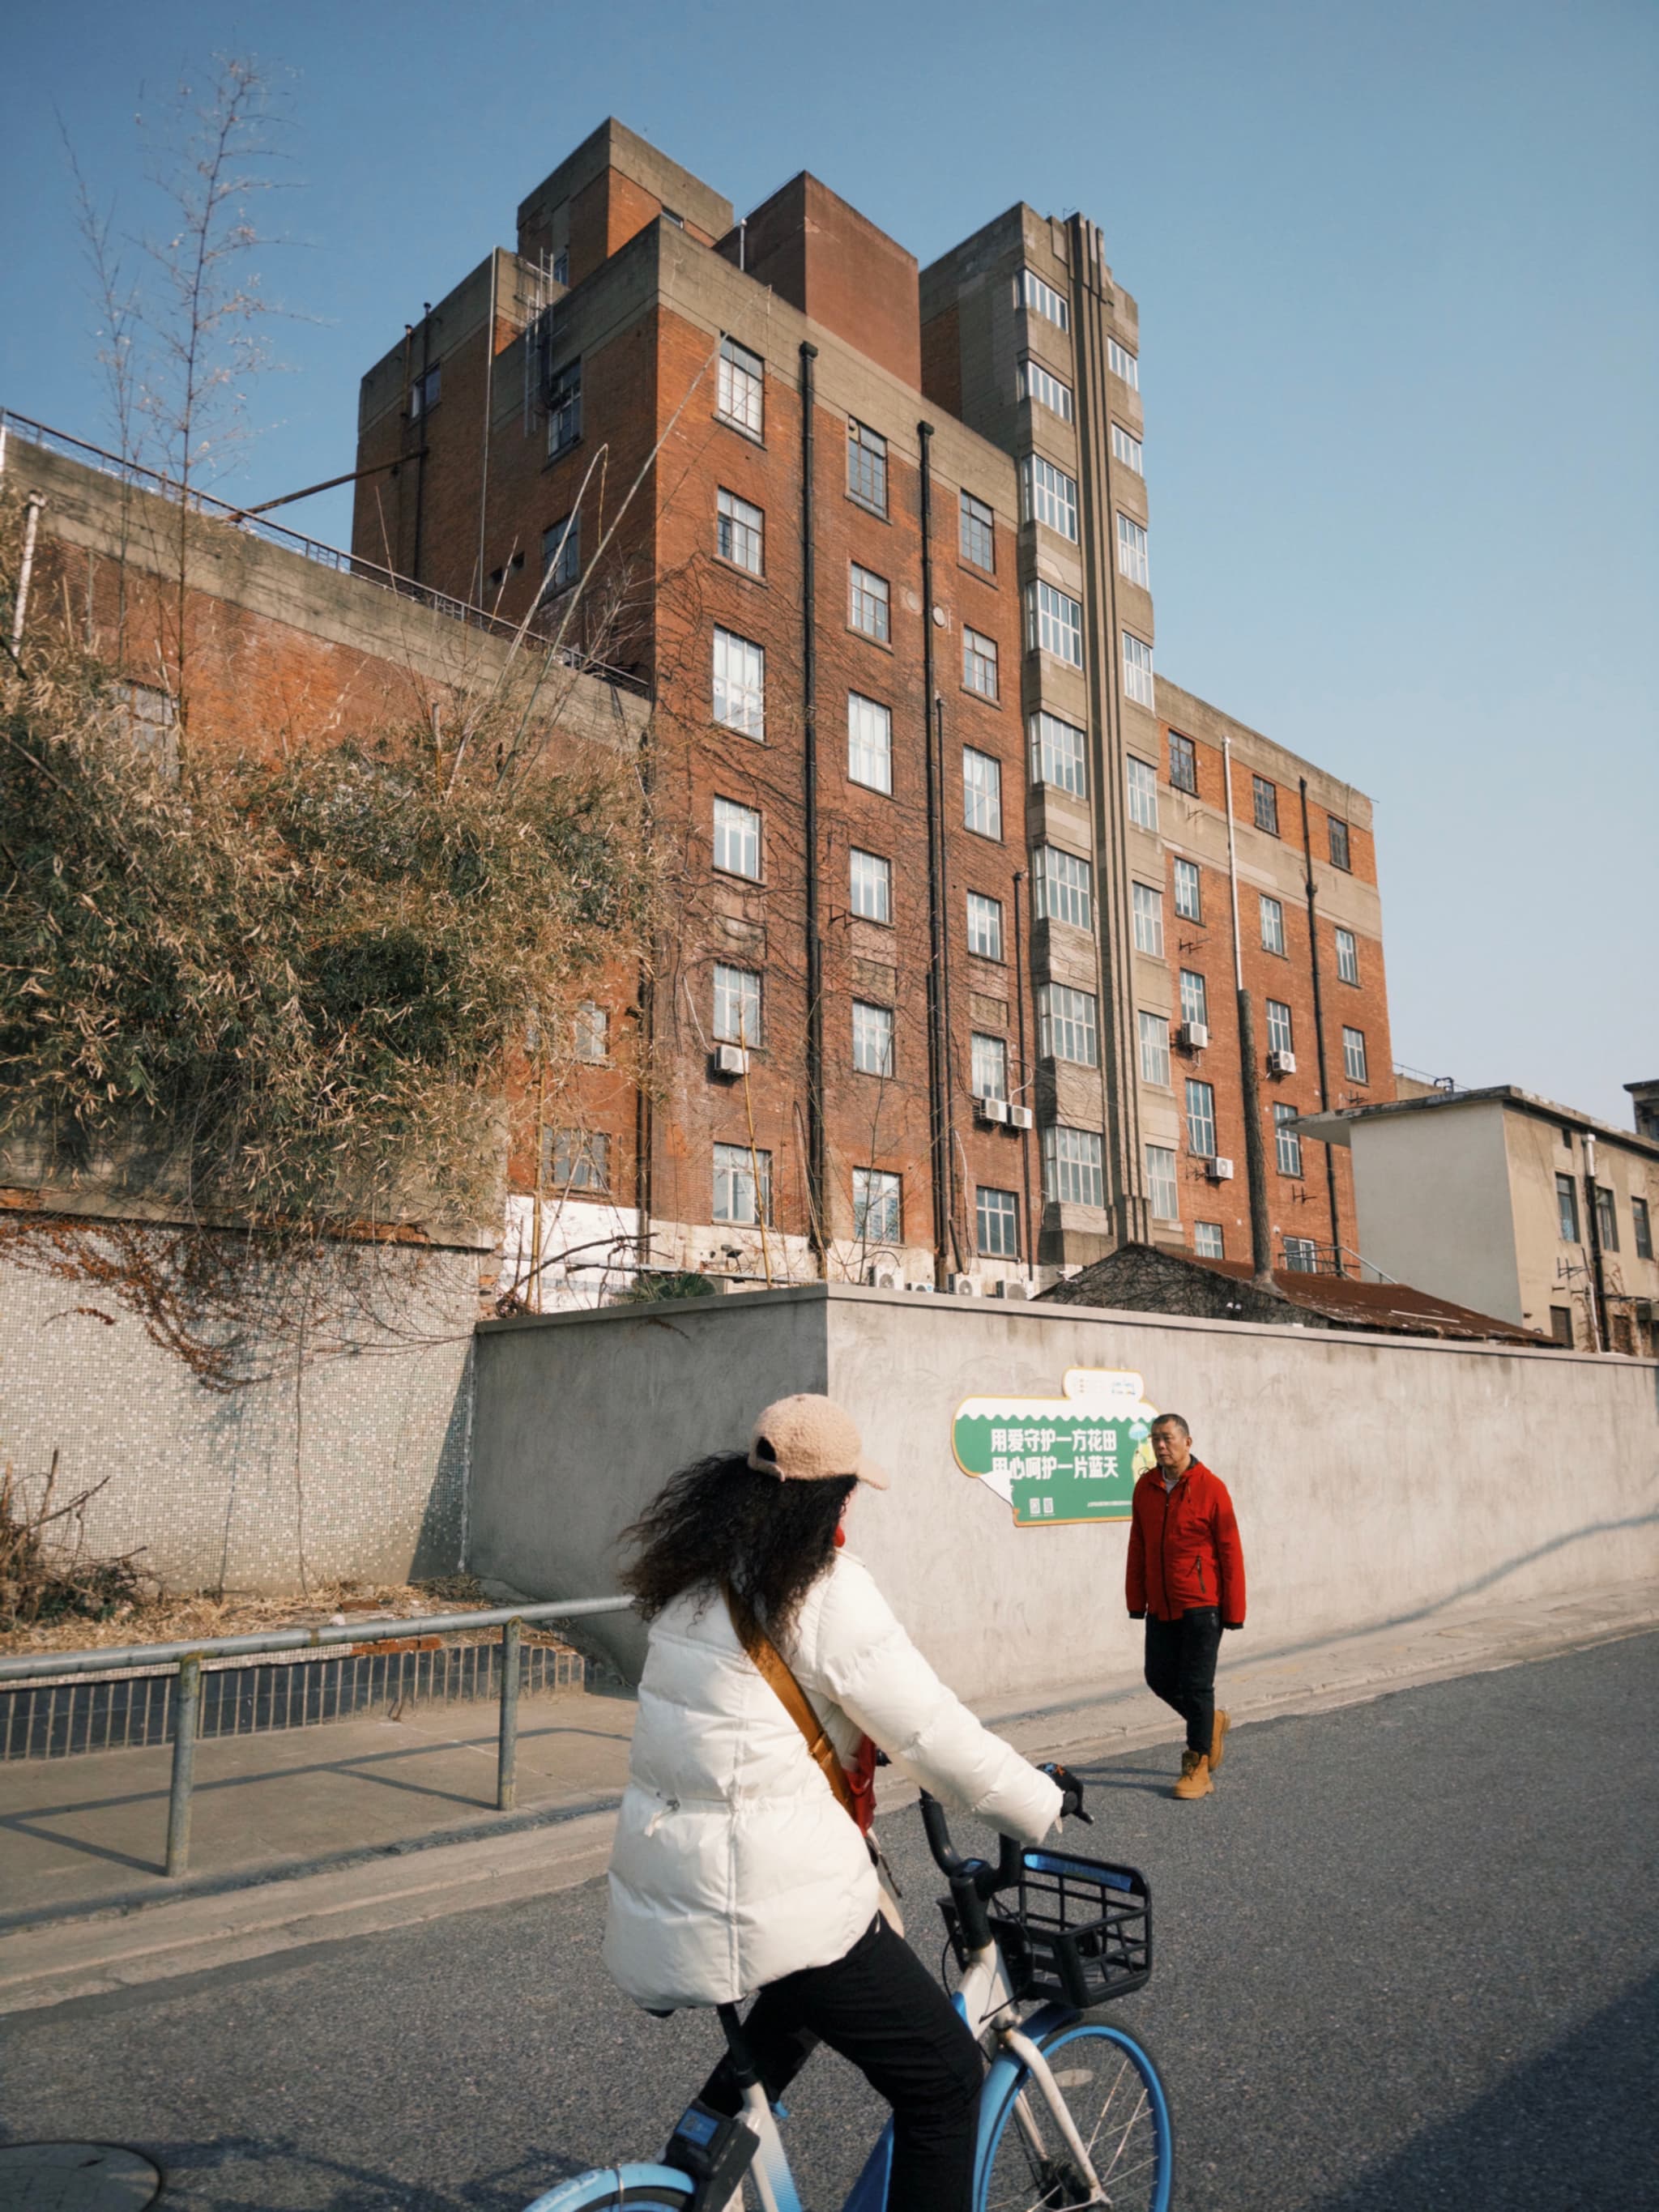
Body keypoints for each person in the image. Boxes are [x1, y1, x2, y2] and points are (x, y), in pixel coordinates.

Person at [603, 1392, 1075, 2212]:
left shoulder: (698, 1581)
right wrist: (1040, 1801)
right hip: (757, 1888)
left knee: (799, 1999)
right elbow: (932, 1732)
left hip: (671, 1882)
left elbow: (741, 1720)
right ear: (834, 1500)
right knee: (946, 2080)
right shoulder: (822, 1589)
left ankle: (693, 2163)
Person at [1125, 1411, 1247, 1801]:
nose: (1161, 1446)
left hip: (1201, 1604)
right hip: (1161, 1605)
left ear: (1187, 1442)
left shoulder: (1211, 1488)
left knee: (1195, 1686)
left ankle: (1198, 1766)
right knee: (1159, 1678)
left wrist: (1234, 1610)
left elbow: (1230, 1550)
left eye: (1168, 1439)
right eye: (1155, 1439)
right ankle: (1210, 1723)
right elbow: (1138, 1545)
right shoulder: (1145, 1487)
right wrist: (1136, 1599)